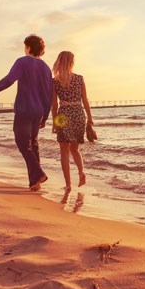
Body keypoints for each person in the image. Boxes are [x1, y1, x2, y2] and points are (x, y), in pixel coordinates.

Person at [0, 34, 53, 191]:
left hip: (24, 109)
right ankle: (34, 183)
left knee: (22, 143)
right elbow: (48, 94)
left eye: (25, 47)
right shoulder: (46, 68)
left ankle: (39, 173)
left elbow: (9, 80)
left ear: (28, 47)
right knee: (33, 144)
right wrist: (45, 116)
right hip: (38, 112)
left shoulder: (22, 62)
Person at [51, 51, 94, 192]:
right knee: (75, 149)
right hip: (78, 113)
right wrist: (90, 118)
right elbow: (85, 100)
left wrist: (54, 122)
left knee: (64, 151)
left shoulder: (55, 81)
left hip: (63, 115)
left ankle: (68, 185)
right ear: (71, 62)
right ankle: (81, 172)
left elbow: (54, 104)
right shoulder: (79, 78)